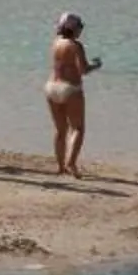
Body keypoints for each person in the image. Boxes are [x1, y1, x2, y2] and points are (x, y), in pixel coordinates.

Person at [45, 13, 103, 177]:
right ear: (73, 28)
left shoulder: (55, 43)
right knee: (77, 128)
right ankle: (71, 163)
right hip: (70, 88)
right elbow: (83, 70)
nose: (81, 30)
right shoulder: (75, 45)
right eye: (80, 27)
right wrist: (96, 65)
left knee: (60, 129)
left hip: (51, 86)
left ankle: (60, 166)